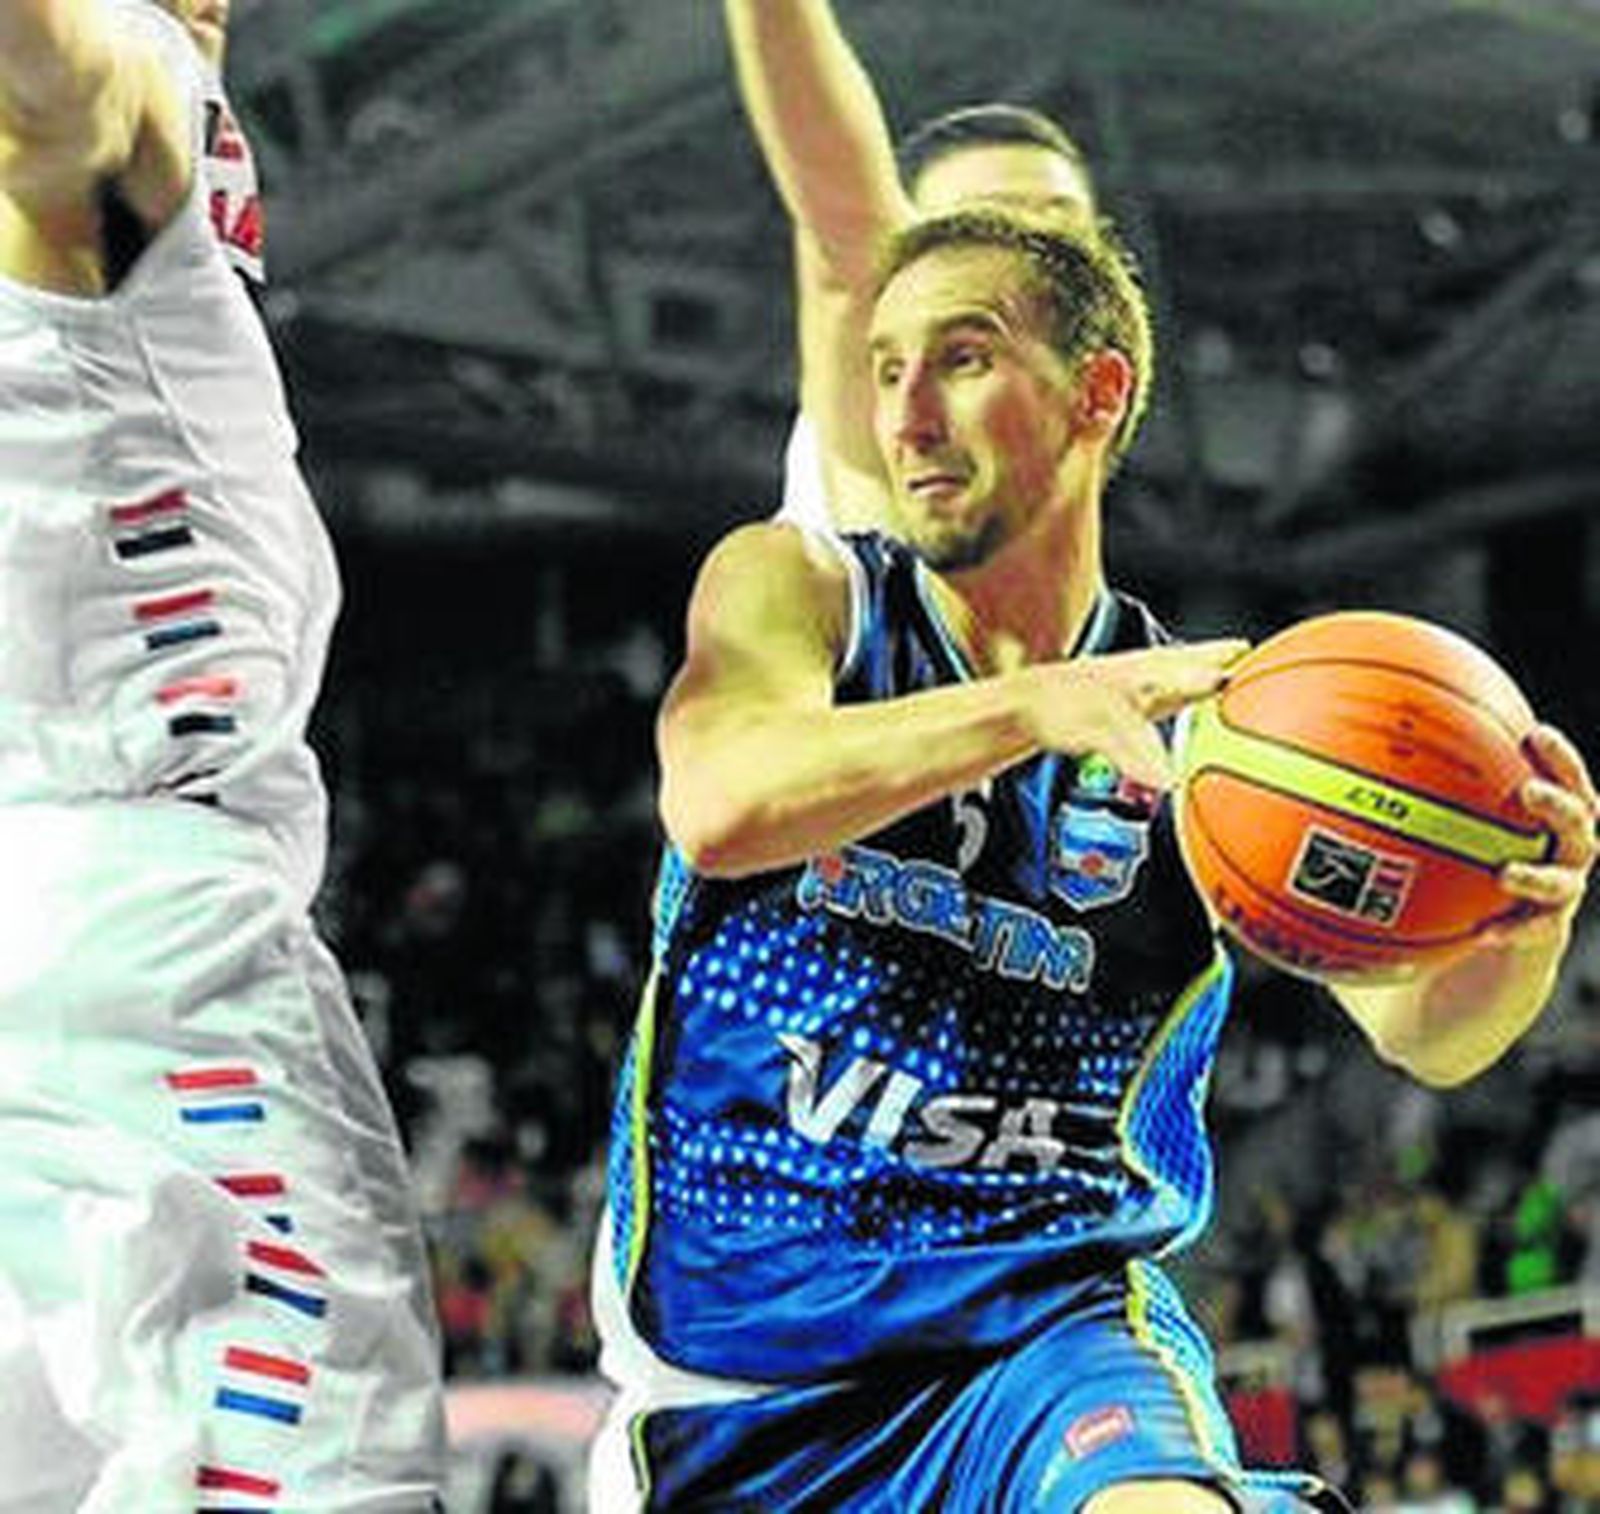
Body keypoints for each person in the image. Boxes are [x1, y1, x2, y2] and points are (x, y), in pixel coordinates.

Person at [589, 204, 1599, 1511]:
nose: (907, 416)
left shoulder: (1224, 738)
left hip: (1049, 1345)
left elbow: (1429, 1035)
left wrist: (1520, 922)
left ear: (1096, 393)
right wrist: (1030, 708)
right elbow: (721, 801)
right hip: (741, 1388)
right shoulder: (804, 590)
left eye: (961, 358)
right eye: (885, 370)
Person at [0, 1, 446, 1506]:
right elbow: (63, 90)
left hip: (43, 911)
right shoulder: (130, 76)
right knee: (330, 1460)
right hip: (144, 913)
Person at [724, 0, 1100, 533]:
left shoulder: (1065, 417)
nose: (1037, 241)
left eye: (1061, 217)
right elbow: (842, 197)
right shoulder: (893, 362)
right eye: (992, 218)